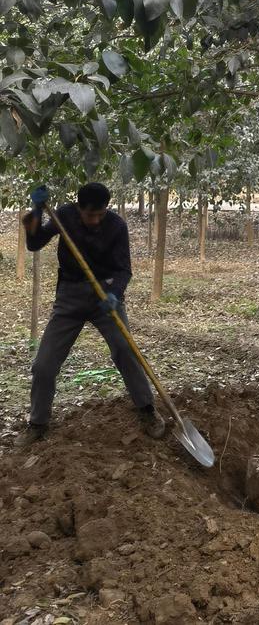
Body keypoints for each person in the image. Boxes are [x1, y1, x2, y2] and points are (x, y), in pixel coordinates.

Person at [15, 182, 166, 448]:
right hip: (69, 298)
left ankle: (147, 411)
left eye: (100, 214)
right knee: (43, 365)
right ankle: (37, 424)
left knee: (125, 350)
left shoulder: (116, 226)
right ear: (78, 208)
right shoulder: (64, 215)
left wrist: (115, 294)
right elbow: (35, 243)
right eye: (90, 215)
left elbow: (124, 270)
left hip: (105, 296)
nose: (96, 220)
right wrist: (37, 211)